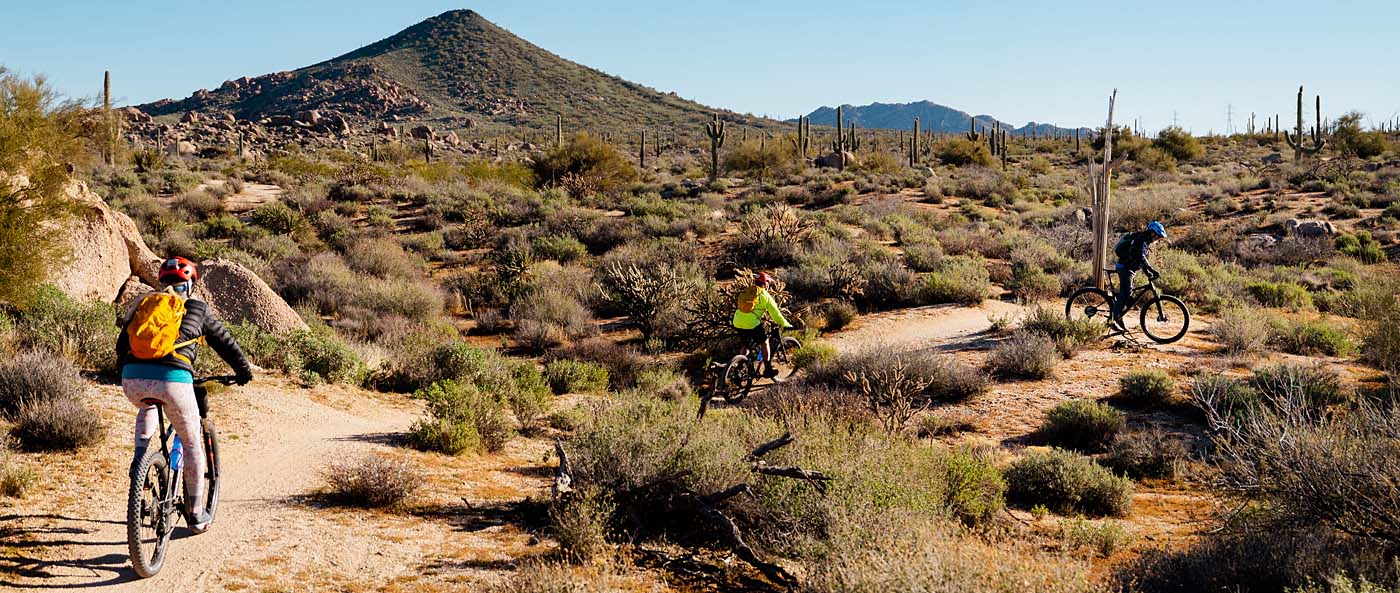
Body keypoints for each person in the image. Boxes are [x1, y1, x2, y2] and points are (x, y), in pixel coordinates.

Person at [117, 256, 253, 531]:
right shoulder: (197, 308)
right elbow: (225, 342)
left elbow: (122, 345)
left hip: (132, 379)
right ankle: (195, 514)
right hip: (174, 380)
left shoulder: (145, 304)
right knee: (191, 444)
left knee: (147, 407)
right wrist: (243, 371)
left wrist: (131, 370)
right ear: (190, 284)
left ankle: (140, 460)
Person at [732, 272, 793, 380]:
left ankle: (739, 366)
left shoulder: (748, 290)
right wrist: (786, 324)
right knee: (764, 342)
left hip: (737, 321)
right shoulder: (765, 295)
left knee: (746, 345)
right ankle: (768, 369)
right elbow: (776, 314)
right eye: (768, 283)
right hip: (751, 324)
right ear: (765, 284)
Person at [1112, 221, 1168, 327]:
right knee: (1126, 293)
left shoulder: (1145, 241)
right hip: (1125, 268)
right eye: (1158, 236)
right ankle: (1113, 320)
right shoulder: (1141, 240)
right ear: (1152, 232)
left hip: (1129, 269)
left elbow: (1141, 261)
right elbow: (1141, 257)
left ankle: (1119, 317)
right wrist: (1151, 270)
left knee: (1128, 297)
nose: (1158, 239)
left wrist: (1149, 273)